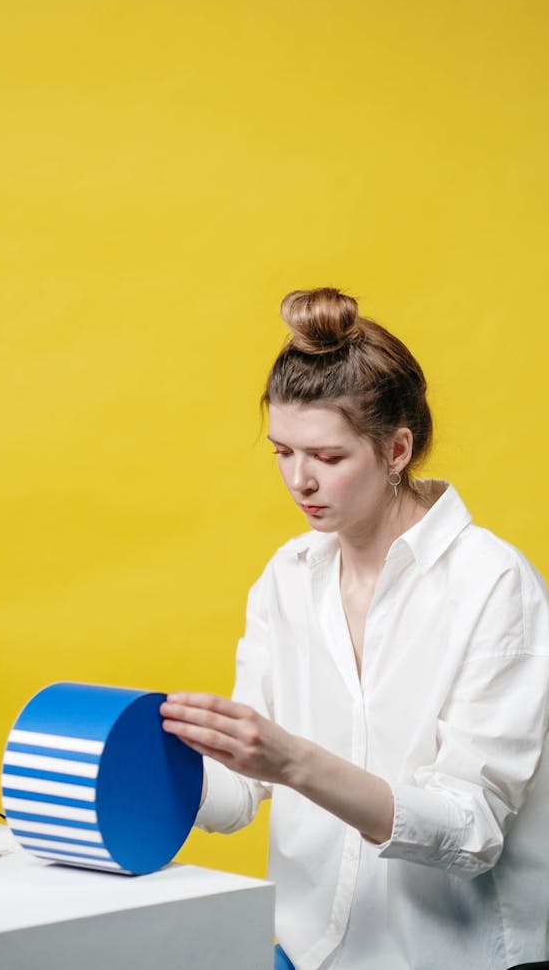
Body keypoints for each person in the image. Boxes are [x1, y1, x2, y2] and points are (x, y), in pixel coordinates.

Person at [160, 287, 549, 970]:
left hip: (458, 956)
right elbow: (240, 793)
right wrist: (133, 761)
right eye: (282, 451)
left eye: (328, 457)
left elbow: (472, 828)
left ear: (396, 448)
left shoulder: (494, 584)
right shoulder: (286, 577)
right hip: (309, 950)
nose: (299, 480)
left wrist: (290, 761)